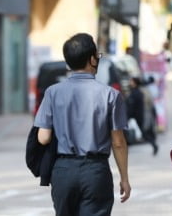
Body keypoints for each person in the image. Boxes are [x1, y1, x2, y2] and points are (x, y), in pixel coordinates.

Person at [34, 33, 131, 216]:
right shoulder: (110, 95)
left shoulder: (52, 93)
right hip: (95, 171)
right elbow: (118, 142)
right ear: (91, 59)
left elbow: (43, 137)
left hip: (63, 171)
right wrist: (124, 178)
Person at [126, 77, 158, 155]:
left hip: (136, 115)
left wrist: (128, 115)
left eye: (131, 81)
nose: (130, 83)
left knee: (143, 133)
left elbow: (133, 105)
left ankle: (154, 144)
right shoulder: (135, 91)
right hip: (134, 115)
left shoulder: (137, 92)